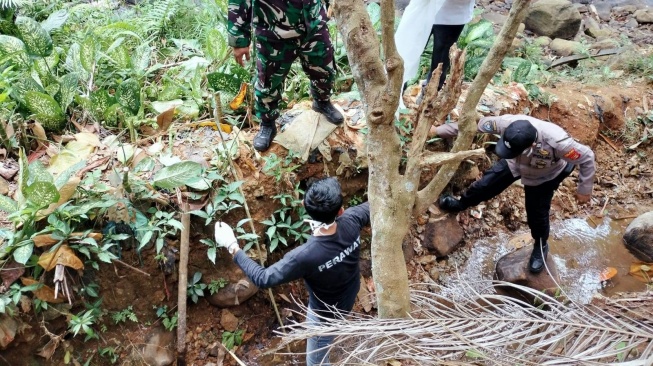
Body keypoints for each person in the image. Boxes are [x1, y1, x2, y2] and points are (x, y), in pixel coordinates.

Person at [214, 177, 370, 365]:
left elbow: (263, 278)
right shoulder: (352, 220)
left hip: (324, 317)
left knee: (316, 363)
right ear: (340, 210)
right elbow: (375, 205)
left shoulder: (305, 256)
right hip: (349, 297)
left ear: (304, 205)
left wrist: (232, 246)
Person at [434, 115, 595, 273]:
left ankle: (540, 246)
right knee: (484, 185)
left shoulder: (558, 142)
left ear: (531, 145)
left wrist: (584, 190)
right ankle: (461, 204)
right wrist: (438, 130)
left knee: (537, 213)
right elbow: (472, 126)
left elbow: (587, 157)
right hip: (515, 164)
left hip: (545, 174)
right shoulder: (505, 123)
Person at [227, 0, 344, 152]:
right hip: (273, 31)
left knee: (324, 71)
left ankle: (322, 102)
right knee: (268, 83)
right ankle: (267, 123)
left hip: (314, 24)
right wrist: (239, 39)